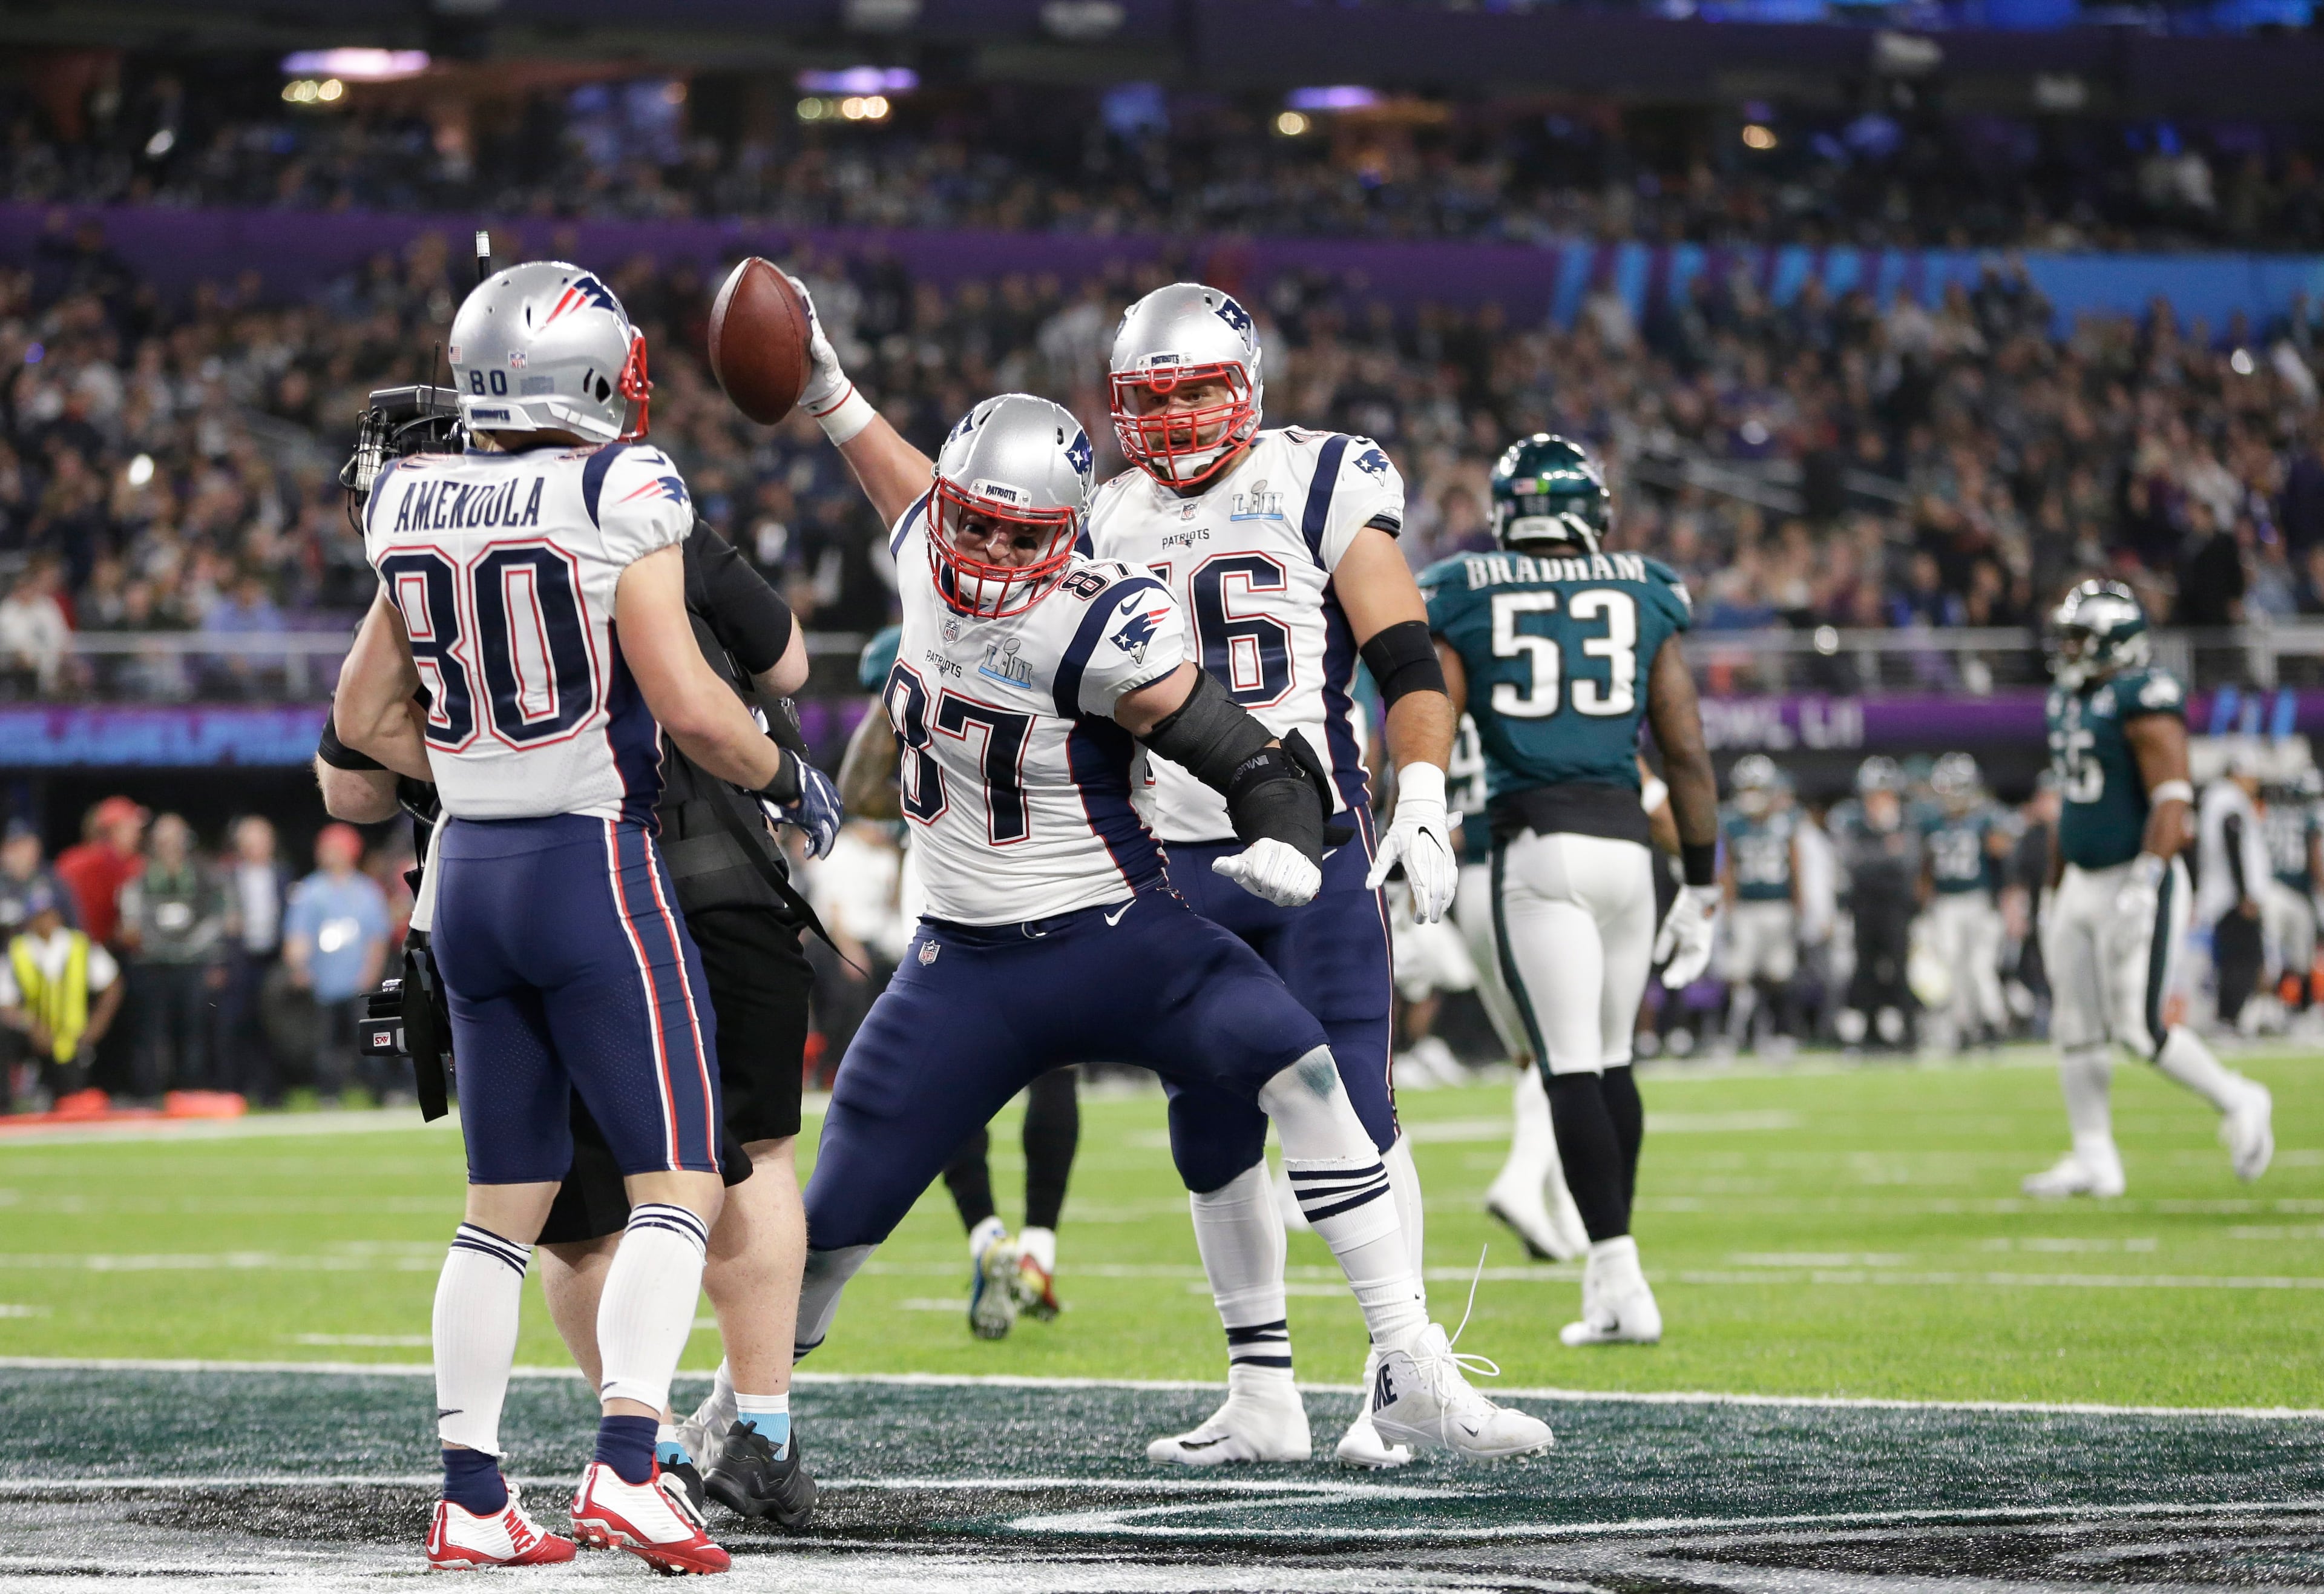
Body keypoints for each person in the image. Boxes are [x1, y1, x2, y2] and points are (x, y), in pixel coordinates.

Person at [734, 366, 1547, 1465]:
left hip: (1151, 908)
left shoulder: (1230, 527)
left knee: (1335, 1083)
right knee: (841, 1224)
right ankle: (740, 1420)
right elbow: (908, 482)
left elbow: (1268, 721)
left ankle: (1405, 1366)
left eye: (1024, 537)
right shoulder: (981, 538)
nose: (991, 552)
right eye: (974, 525)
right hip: (1012, 937)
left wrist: (1393, 795)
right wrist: (825, 383)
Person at [334, 261, 822, 1573]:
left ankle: (474, 1491)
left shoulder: (408, 494)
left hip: (467, 883)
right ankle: (626, 1466)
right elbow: (695, 704)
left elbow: (364, 721)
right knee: (679, 1182)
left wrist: (487, 767)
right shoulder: (623, 485)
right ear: (593, 374)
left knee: (506, 1202)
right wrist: (792, 776)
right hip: (590, 866)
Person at [1084, 283, 1459, 1469]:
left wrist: (1429, 796)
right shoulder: (1097, 516)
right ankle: (1261, 1393)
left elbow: (1405, 653)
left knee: (1359, 1108)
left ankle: (1401, 1378)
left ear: (1245, 385)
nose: (1183, 414)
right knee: (1209, 1130)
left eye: (1201, 388)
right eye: (1158, 395)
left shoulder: (1321, 472)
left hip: (1317, 849)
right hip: (1177, 860)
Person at [1420, 433, 1721, 1349]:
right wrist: (1702, 887)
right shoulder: (1645, 587)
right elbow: (1686, 751)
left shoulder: (1465, 589)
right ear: (1592, 515)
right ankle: (1613, 1280)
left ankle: (1620, 1281)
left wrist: (1414, 819)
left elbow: (1434, 722)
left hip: (1537, 850)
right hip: (1632, 854)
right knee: (1613, 1060)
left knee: (1569, 1071)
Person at [838, 624, 1083, 1338]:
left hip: (955, 909)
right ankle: (1039, 1246)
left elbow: (859, 787)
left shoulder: (918, 683)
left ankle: (987, 1235)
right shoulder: (1032, 667)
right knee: (1056, 1070)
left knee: (953, 1085)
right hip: (1044, 893)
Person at [2024, 581, 2274, 1199]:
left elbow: (2172, 799)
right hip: (2082, 879)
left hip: (2136, 877)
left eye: (2079, 635)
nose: (2067, 646)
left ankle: (2240, 1096)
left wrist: (2148, 877)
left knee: (2139, 1027)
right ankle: (2094, 1157)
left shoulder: (2146, 695)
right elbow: (2072, 804)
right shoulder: (2069, 697)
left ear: (2114, 640)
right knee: (2075, 1023)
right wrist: (2054, 890)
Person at [116, 812, 227, 1097]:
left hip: (193, 964)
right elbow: (132, 920)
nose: (169, 845)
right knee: (152, 1032)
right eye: (163, 839)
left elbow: (218, 917)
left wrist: (188, 948)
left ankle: (191, 1091)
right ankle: (150, 1093)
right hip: (153, 964)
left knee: (193, 1031)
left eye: (175, 838)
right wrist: (160, 946)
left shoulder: (204, 874)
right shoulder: (140, 876)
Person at [281, 823, 390, 1102]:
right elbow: (298, 935)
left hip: (358, 981)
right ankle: (328, 1093)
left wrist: (370, 974)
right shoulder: (310, 891)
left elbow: (377, 938)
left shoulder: (367, 891)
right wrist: (299, 968)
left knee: (369, 1039)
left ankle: (380, 1090)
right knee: (324, 1043)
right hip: (323, 982)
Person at [1917, 753, 2013, 1050]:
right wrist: (1925, 899)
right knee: (1953, 965)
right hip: (1946, 902)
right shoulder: (1933, 823)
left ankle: (1993, 1022)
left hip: (1979, 900)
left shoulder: (1986, 818)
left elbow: (2004, 854)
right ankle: (1963, 1026)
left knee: (1980, 966)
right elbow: (1926, 865)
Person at [0, 884, 123, 1106]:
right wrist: (30, 1026)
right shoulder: (18, 949)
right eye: (38, 916)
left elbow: (112, 986)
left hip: (72, 1038)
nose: (44, 922)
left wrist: (95, 1027)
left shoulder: (80, 945)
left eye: (48, 914)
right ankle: (5, 1104)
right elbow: (5, 1002)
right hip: (33, 1035)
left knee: (71, 1099)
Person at [1831, 757, 1922, 1053]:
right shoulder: (1852, 822)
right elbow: (1853, 862)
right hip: (1864, 906)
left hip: (1897, 907)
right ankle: (1871, 1031)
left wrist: (1881, 854)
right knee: (1865, 969)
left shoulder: (1906, 821)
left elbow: (1909, 863)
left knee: (1900, 968)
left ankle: (1909, 1031)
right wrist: (1885, 851)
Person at [1717, 753, 1802, 1055]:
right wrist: (1728, 909)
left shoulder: (1786, 821)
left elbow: (1796, 867)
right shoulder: (1731, 823)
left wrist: (1799, 908)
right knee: (1738, 974)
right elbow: (1727, 869)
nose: (1751, 796)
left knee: (1778, 974)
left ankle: (1781, 1035)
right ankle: (1732, 1037)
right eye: (1747, 789)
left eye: (1757, 789)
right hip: (1746, 908)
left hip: (1777, 906)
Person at [2196, 747, 2271, 1032]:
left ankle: (2229, 1017)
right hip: (2232, 897)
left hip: (2225, 895)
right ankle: (2229, 1017)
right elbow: (2233, 840)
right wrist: (2244, 894)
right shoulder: (2229, 800)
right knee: (2242, 960)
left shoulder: (2218, 798)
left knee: (2235, 958)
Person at [217, 816, 289, 1104]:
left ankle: (272, 1092)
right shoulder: (228, 876)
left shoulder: (282, 874)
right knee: (237, 1024)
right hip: (240, 960)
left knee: (273, 1026)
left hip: (272, 958)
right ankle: (236, 1090)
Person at [2259, 765, 2322, 1021]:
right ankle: (2299, 1009)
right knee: (2298, 957)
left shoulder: (2269, 812)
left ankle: (2270, 1009)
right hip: (2295, 890)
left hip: (2270, 888)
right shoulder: (2311, 816)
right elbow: (2315, 856)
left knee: (2275, 956)